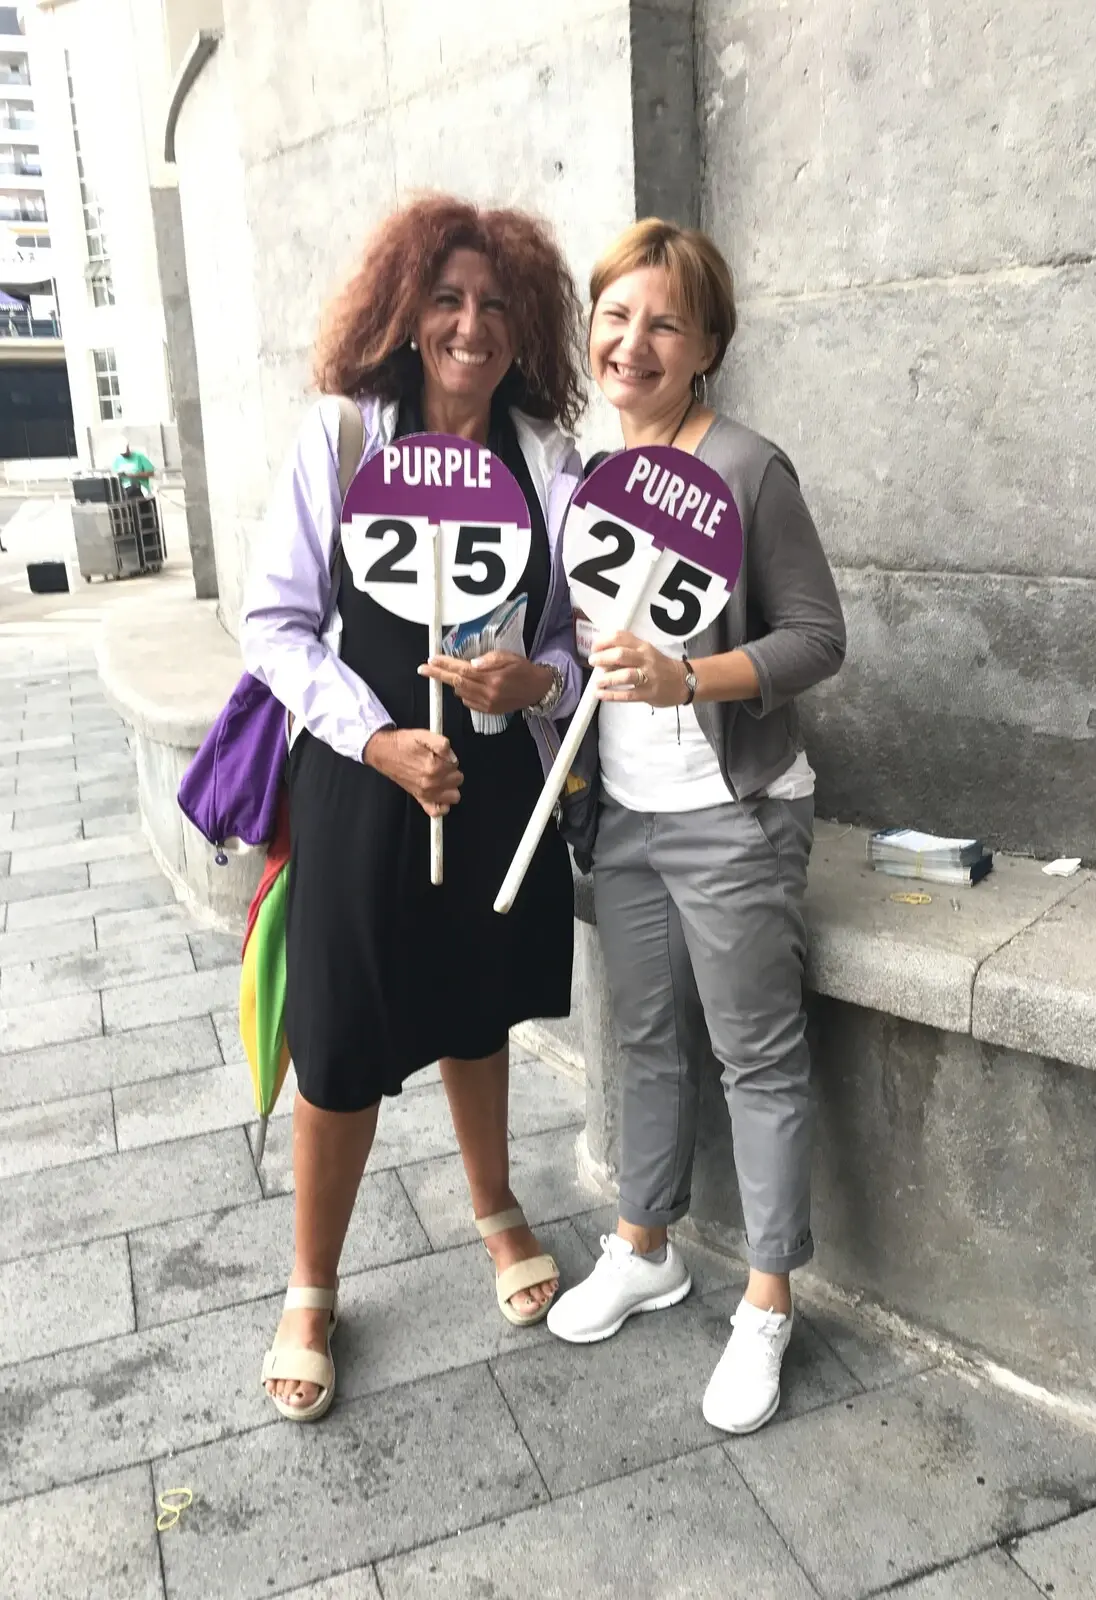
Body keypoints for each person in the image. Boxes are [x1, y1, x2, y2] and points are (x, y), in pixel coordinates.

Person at [241, 195, 586, 1421]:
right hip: (360, 774)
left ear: (525, 322)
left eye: (495, 303)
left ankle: (494, 1203)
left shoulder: (548, 461)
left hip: (491, 781)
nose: (470, 324)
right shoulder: (342, 437)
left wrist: (534, 682)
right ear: (404, 310)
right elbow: (275, 626)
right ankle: (311, 1283)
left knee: (476, 1000)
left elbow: (576, 644)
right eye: (446, 298)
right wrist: (381, 739)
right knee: (340, 1032)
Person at [546, 219, 847, 1436]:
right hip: (624, 813)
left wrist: (691, 677)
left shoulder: (747, 468)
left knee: (755, 1057)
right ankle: (645, 1244)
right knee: (645, 1040)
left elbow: (818, 637)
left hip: (734, 815)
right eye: (617, 315)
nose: (634, 341)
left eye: (666, 322)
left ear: (708, 345)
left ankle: (768, 1302)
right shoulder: (586, 482)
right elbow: (576, 655)